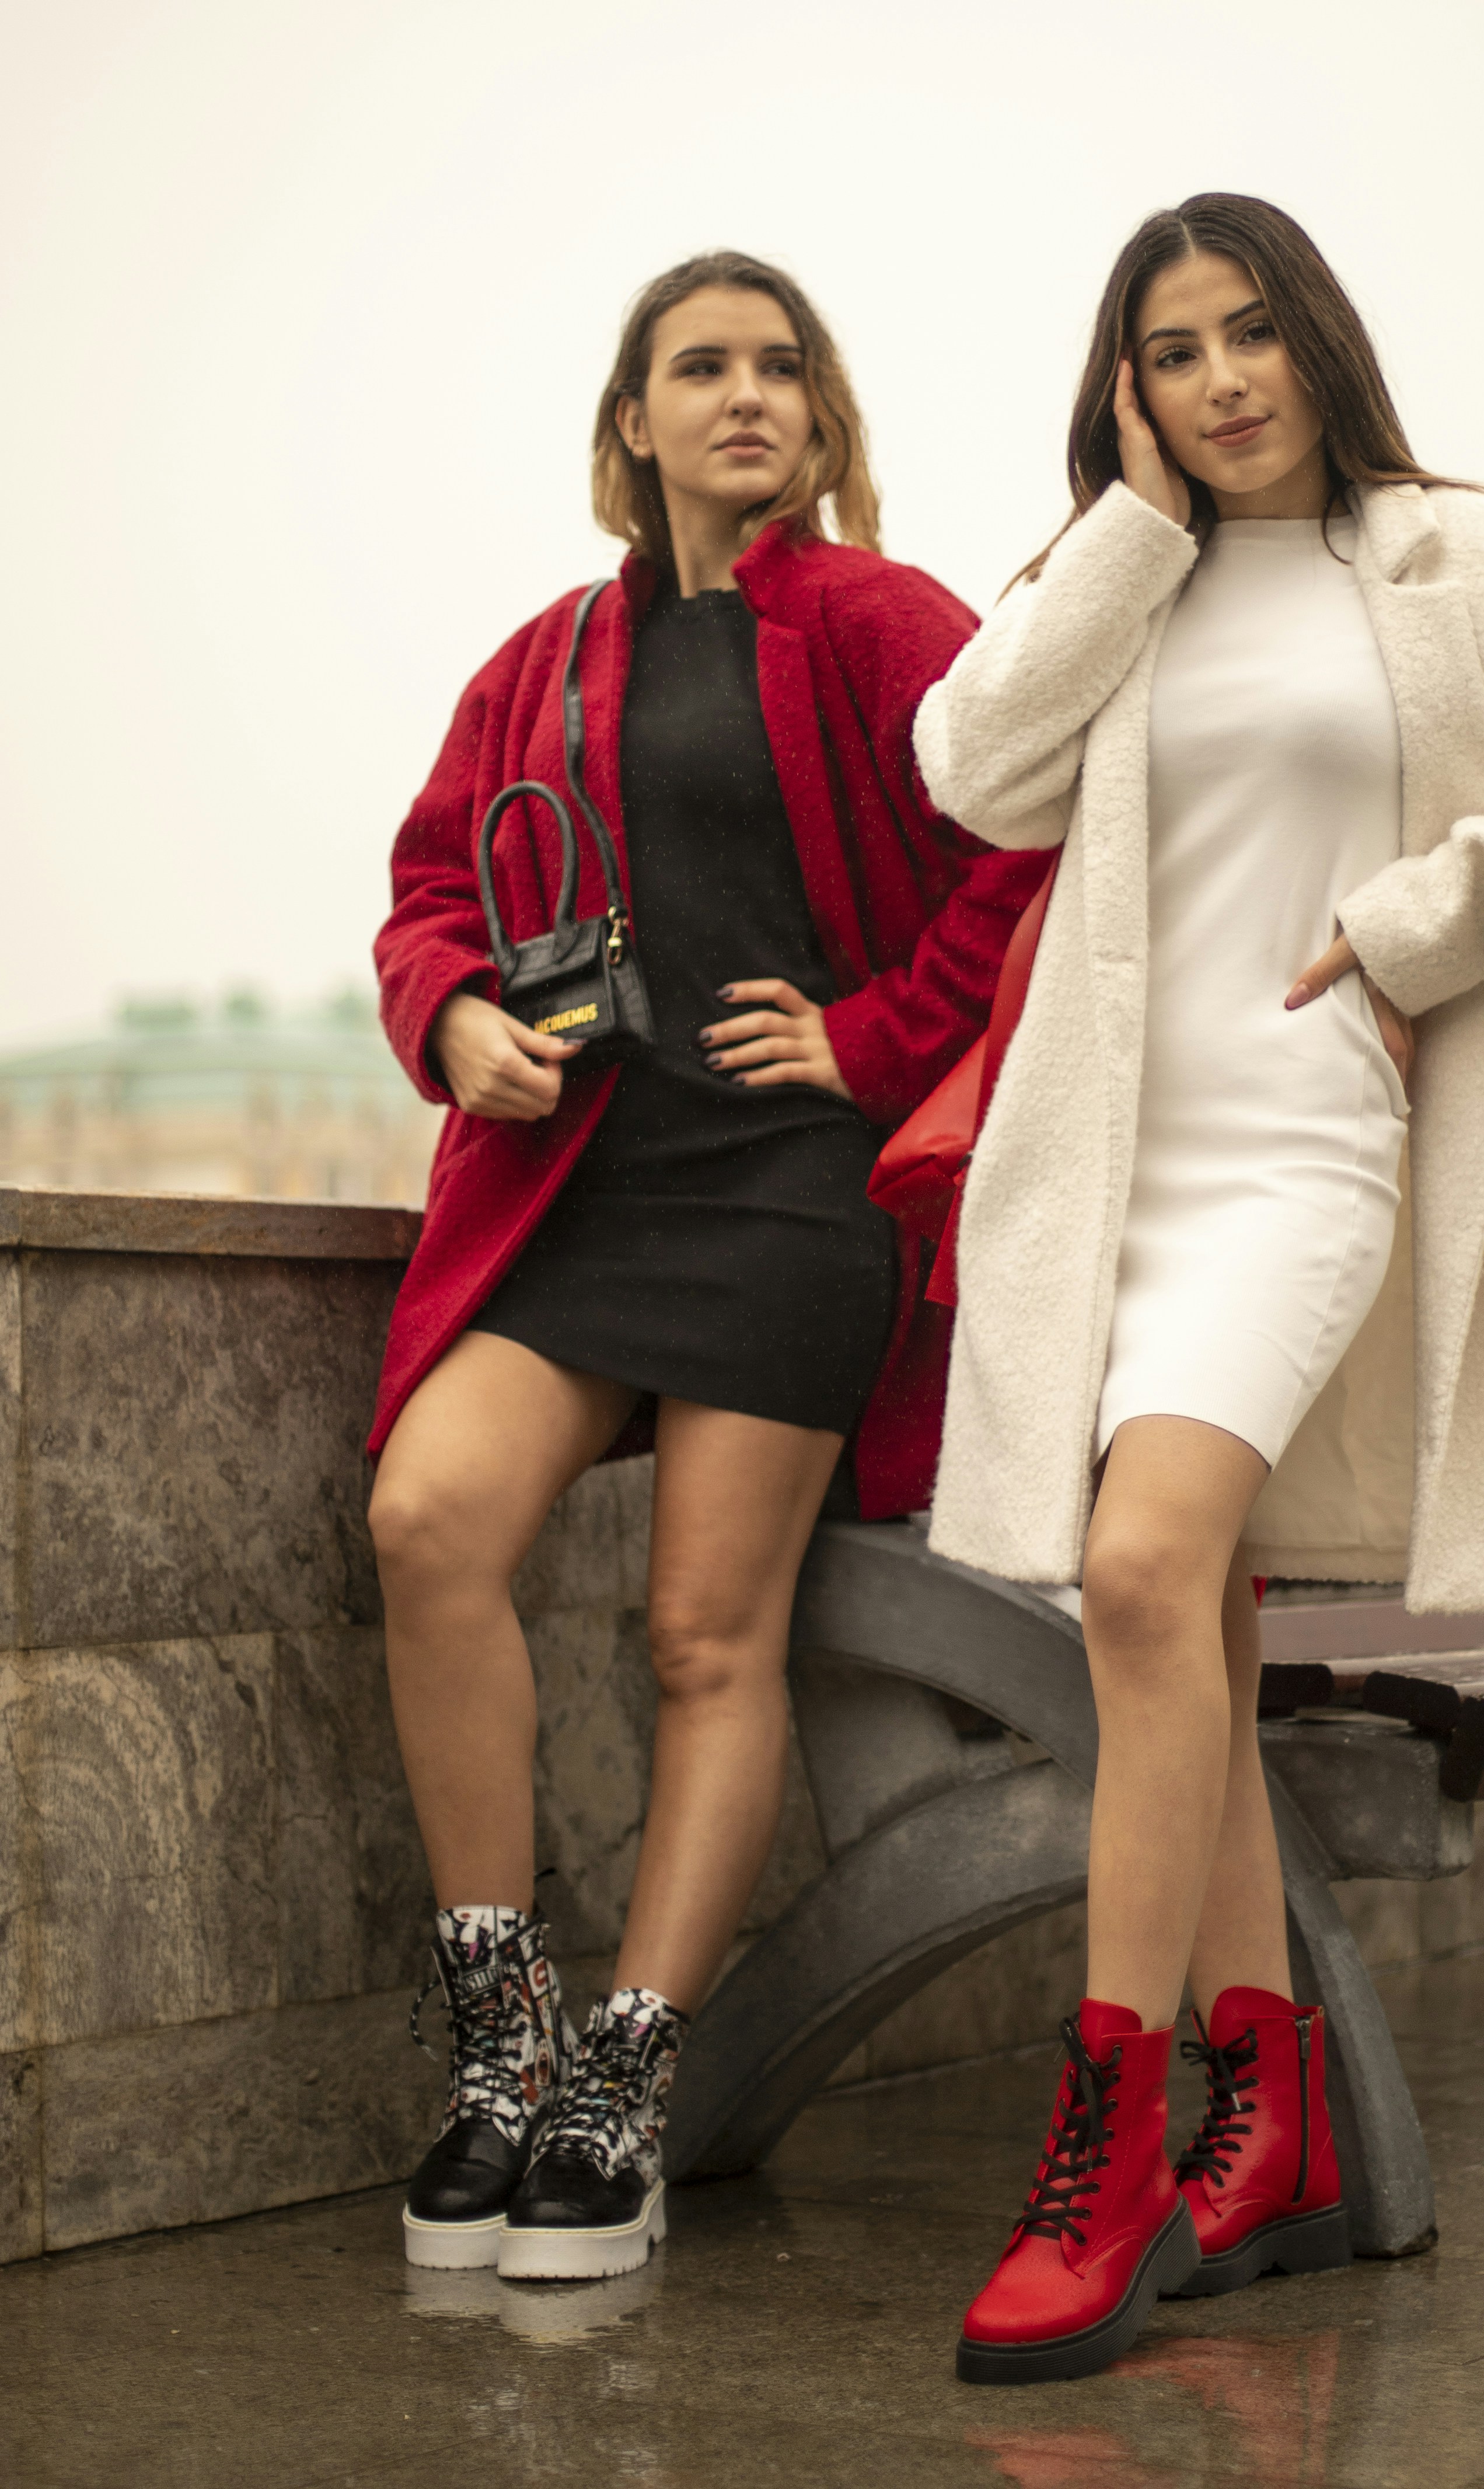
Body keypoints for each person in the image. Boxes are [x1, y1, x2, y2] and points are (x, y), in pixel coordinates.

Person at [914, 193, 1484, 2383]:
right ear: (1133, 389)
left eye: (1250, 330)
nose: (1223, 379)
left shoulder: (1468, 564)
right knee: (1181, 1620)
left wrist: (1417, 926)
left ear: (1320, 337)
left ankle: (1098, 2142)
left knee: (1134, 1573)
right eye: (1172, 350)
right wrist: (1122, 525)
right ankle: (1263, 2117)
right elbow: (965, 772)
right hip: (1119, 1172)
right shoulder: (1126, 586)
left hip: (1307, 1148)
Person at [368, 250, 1043, 2283]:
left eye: (781, 370)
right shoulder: (546, 655)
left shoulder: (881, 615)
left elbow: (1023, 843)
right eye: (699, 369)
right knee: (426, 1522)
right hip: (582, 1189)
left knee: (700, 1637)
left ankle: (625, 2087)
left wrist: (875, 1032)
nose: (743, 397)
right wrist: (455, 1018)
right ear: (632, 426)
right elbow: (427, 886)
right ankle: (505, 2055)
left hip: (788, 1190)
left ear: (820, 424)